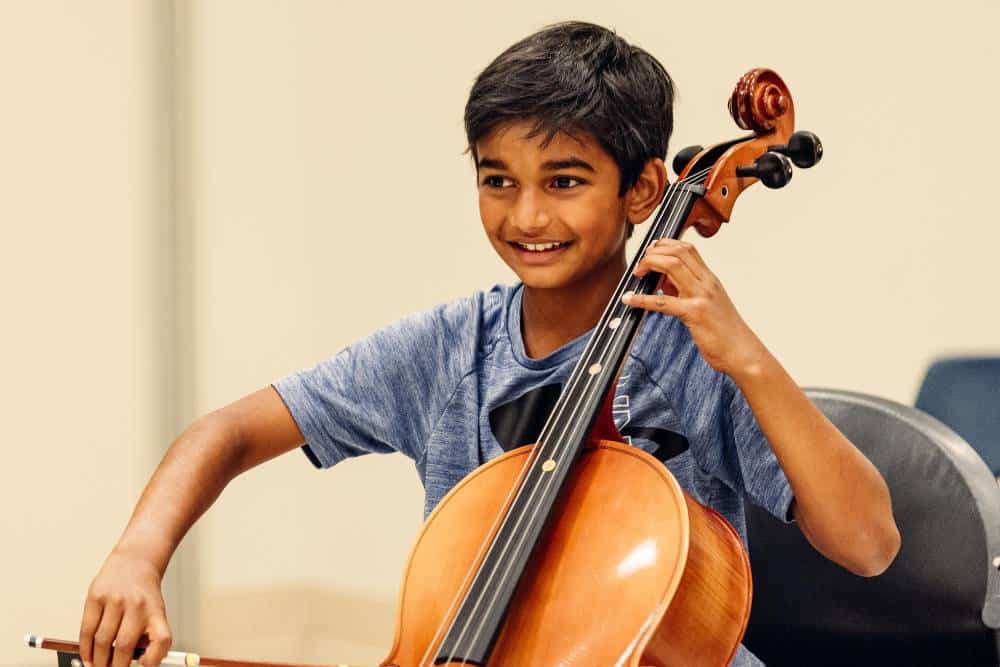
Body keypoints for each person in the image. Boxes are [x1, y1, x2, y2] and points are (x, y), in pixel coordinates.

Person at [77, 21, 900, 667]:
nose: (526, 215)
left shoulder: (692, 354)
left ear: (643, 190)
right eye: (497, 179)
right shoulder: (449, 350)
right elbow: (225, 433)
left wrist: (747, 357)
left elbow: (869, 543)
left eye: (564, 181)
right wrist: (137, 555)